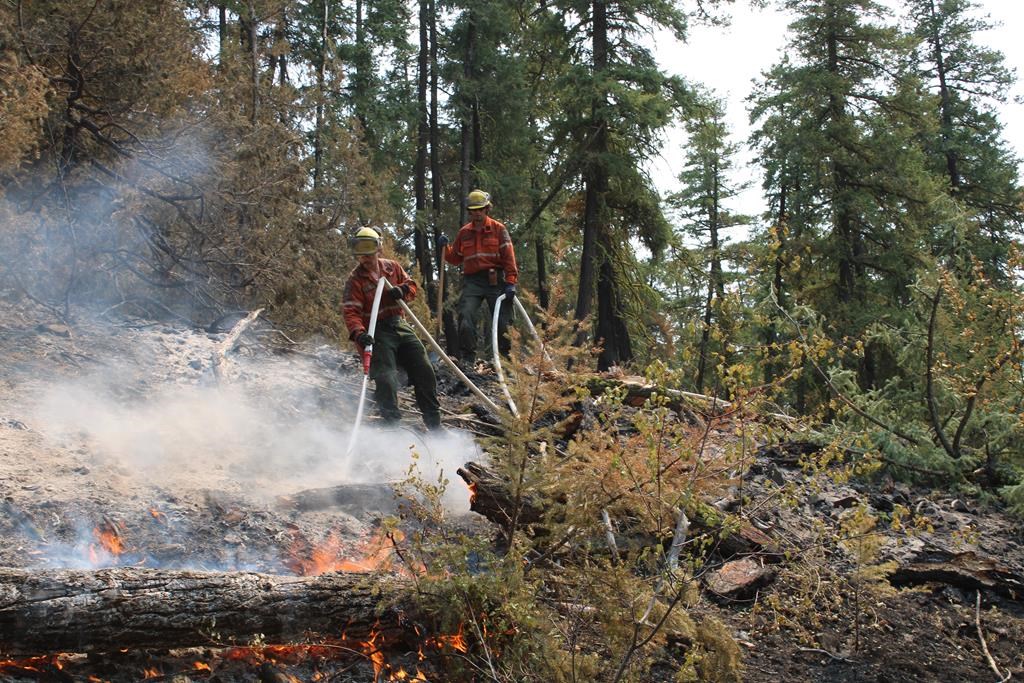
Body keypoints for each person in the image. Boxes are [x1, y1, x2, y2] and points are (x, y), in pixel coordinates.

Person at [343, 227, 442, 430]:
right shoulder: (355, 280)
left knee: (424, 369)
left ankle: (434, 425)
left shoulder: (392, 268)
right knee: (385, 377)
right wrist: (359, 334)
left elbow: (412, 285)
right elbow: (351, 312)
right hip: (376, 332)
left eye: (369, 249)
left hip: (399, 324)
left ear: (378, 247)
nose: (365, 256)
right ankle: (393, 429)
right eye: (360, 250)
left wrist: (403, 289)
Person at [437, 189, 519, 365]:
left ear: (487, 209)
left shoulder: (499, 230)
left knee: (503, 322)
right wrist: (445, 248)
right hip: (473, 281)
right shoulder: (464, 233)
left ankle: (505, 361)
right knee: (465, 316)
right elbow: (455, 259)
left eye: (480, 209)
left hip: (495, 280)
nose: (477, 213)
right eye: (473, 210)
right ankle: (468, 358)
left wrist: (511, 282)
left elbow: (509, 257)